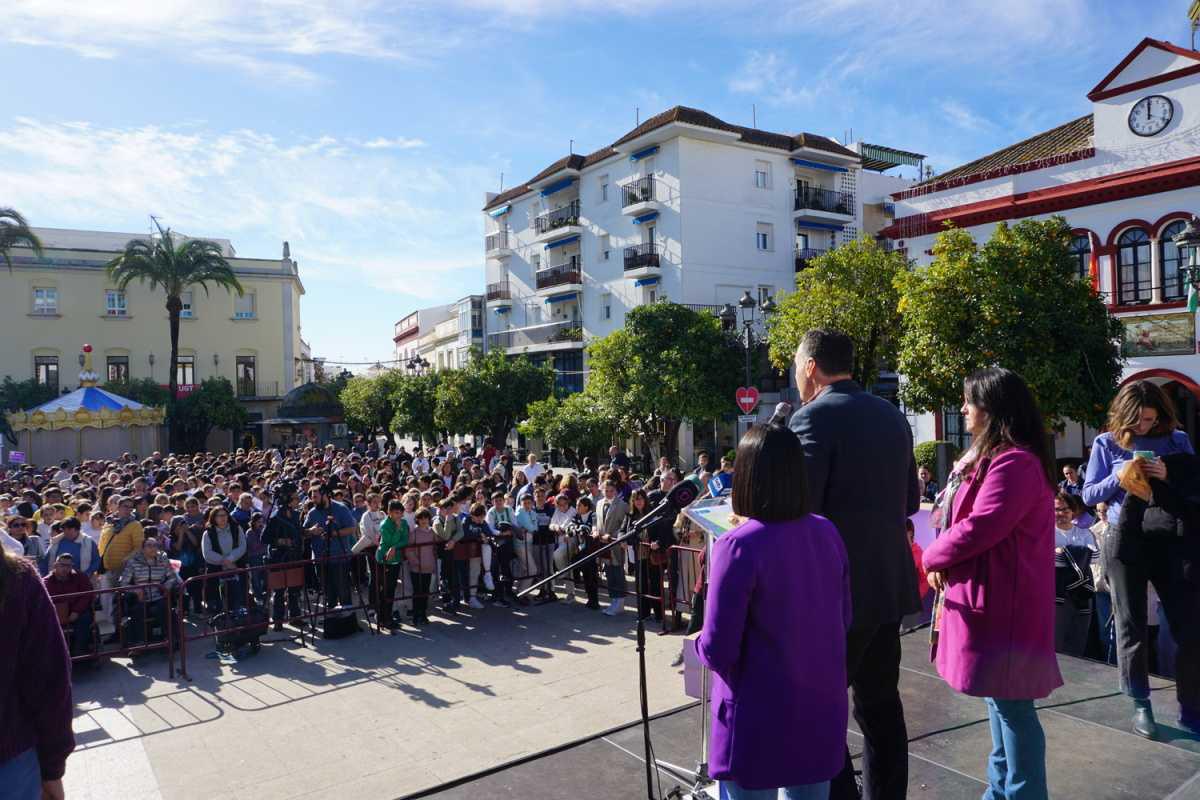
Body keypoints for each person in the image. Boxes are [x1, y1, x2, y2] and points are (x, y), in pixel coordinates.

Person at [787, 329, 920, 800]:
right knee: (881, 705)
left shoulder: (810, 420)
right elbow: (910, 499)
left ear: (809, 367)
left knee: (818, 708)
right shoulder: (892, 415)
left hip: (834, 593)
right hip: (887, 584)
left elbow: (796, 511)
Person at [923, 367, 1062, 800]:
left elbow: (981, 526)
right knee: (1001, 706)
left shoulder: (1014, 463)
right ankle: (1000, 790)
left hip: (1005, 603)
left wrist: (931, 555)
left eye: (969, 401)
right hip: (993, 597)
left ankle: (1020, 793)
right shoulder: (997, 457)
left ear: (993, 408)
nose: (963, 408)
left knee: (1012, 708)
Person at [696, 423, 850, 799]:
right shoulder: (827, 531)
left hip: (757, 714)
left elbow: (718, 649)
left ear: (746, 477)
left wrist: (698, 643)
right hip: (819, 705)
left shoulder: (737, 546)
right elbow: (844, 617)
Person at [1082, 380, 1199, 739]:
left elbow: (1196, 487)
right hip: (1125, 537)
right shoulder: (1105, 443)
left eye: (1151, 419)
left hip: (1171, 538)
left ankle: (1191, 707)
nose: (1145, 427)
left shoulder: (1177, 440)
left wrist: (1170, 474)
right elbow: (1089, 494)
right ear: (1125, 415)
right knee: (1130, 625)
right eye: (1139, 421)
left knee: (1189, 627)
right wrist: (1119, 476)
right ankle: (1140, 703)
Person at [0, 548, 74, 800]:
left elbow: (48, 678)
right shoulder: (17, 578)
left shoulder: (17, 579)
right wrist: (52, 768)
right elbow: (49, 681)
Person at [1053, 491, 1097, 657]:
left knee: (1078, 643)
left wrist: (1063, 551)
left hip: (1081, 595)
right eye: (1057, 509)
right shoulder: (1045, 533)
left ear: (1073, 511)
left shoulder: (1085, 533)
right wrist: (1080, 553)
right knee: (1056, 643)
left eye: (1065, 509)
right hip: (1056, 595)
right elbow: (1047, 559)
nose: (1061, 514)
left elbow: (1096, 557)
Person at [118, 537, 182, 646]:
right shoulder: (133, 562)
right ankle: (137, 643)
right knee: (137, 610)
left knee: (164, 608)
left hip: (158, 595)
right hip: (139, 598)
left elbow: (172, 578)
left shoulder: (163, 560)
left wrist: (166, 586)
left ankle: (170, 639)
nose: (153, 548)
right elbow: (123, 583)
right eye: (149, 545)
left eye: (155, 545)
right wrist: (135, 590)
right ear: (142, 549)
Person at [303, 482, 358, 610]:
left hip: (339, 556)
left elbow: (351, 528)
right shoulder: (312, 513)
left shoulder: (341, 508)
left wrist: (333, 534)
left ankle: (347, 616)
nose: (313, 500)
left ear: (325, 496)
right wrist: (311, 531)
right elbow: (304, 532)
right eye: (312, 497)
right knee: (327, 591)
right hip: (320, 557)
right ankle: (331, 616)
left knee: (343, 589)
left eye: (315, 497)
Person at [262, 484, 306, 631]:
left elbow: (298, 531)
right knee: (279, 591)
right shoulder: (275, 517)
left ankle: (295, 617)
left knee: (294, 589)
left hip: (293, 556)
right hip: (278, 557)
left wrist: (309, 532)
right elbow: (264, 538)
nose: (298, 500)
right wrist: (280, 541)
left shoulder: (294, 514)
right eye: (295, 498)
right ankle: (278, 620)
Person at [44, 553, 95, 656]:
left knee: (85, 618)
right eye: (62, 565)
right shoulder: (46, 582)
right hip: (55, 615)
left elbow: (88, 595)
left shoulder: (81, 577)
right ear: (55, 565)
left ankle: (80, 651)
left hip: (77, 613)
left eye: (68, 566)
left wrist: (76, 611)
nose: (65, 568)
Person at [201, 506, 248, 614]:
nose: (223, 518)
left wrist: (231, 559)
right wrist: (224, 561)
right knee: (217, 600)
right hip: (216, 570)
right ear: (214, 518)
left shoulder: (236, 528)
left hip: (236, 567)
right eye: (219, 516)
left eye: (224, 515)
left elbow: (242, 546)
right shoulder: (208, 533)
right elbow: (207, 553)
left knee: (237, 597)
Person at [376, 499, 409, 629]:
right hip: (383, 560)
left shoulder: (404, 522)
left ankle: (388, 617)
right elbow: (389, 541)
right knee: (384, 590)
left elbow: (405, 540)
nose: (399, 515)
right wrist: (398, 529)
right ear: (389, 512)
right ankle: (382, 618)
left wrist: (395, 547)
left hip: (395, 560)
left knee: (391, 590)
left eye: (401, 512)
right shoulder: (384, 524)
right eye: (396, 512)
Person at [406, 508, 437, 625]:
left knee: (425, 592)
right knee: (417, 592)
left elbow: (434, 549)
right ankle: (415, 615)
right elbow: (408, 550)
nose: (424, 520)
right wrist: (416, 562)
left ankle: (423, 614)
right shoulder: (413, 533)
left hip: (428, 568)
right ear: (417, 520)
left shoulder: (432, 532)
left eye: (426, 518)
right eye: (421, 518)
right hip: (416, 569)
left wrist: (433, 564)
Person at [570, 496, 600, 609]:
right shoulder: (576, 516)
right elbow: (571, 528)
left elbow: (594, 526)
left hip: (591, 549)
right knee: (585, 574)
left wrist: (591, 530)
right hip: (580, 549)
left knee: (591, 574)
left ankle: (594, 600)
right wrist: (574, 530)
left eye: (579, 505)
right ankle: (589, 598)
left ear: (586, 506)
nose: (577, 507)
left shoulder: (592, 515)